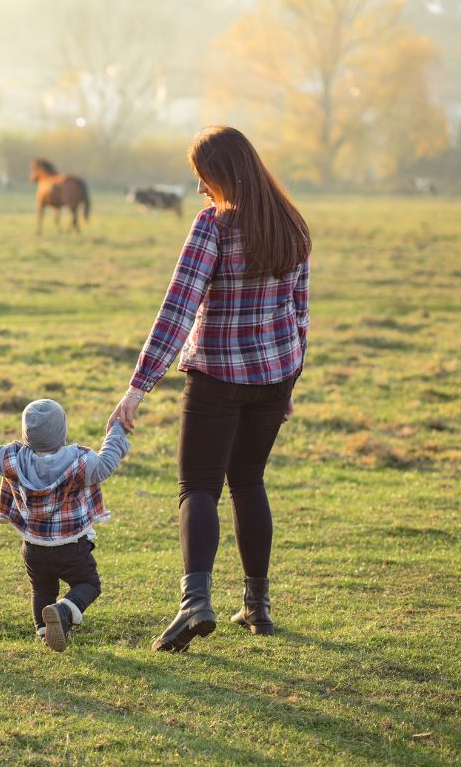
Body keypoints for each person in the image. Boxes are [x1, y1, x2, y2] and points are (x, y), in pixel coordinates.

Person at [108, 126, 310, 652]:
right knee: (248, 481)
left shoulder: (213, 226)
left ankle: (194, 602)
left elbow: (178, 308)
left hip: (217, 376)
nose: (199, 190)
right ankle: (258, 607)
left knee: (198, 488)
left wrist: (138, 386)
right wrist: (290, 381)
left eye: (202, 178)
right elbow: (300, 313)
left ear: (222, 175)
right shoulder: (292, 224)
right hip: (273, 375)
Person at [0, 399, 130, 651]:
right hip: (71, 546)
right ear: (62, 431)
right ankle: (64, 611)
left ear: (27, 433)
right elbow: (106, 463)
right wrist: (117, 431)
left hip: (33, 547)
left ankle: (45, 631)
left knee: (42, 587)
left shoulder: (11, 459)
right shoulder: (80, 461)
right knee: (89, 584)